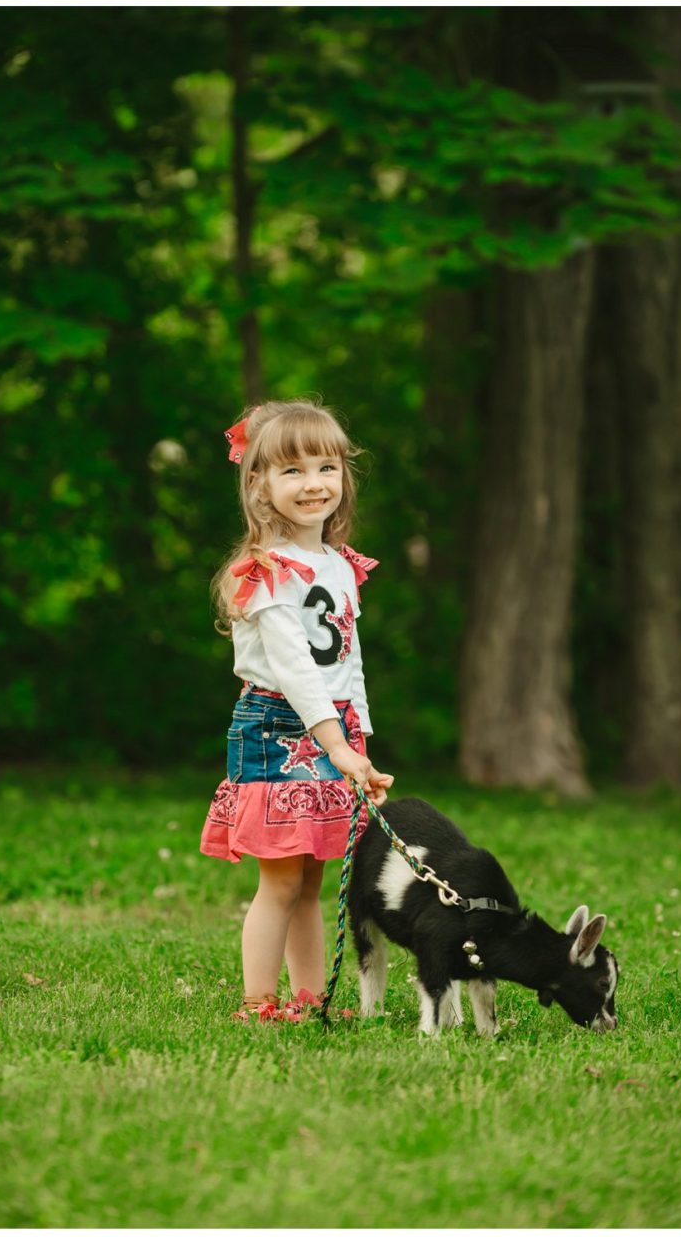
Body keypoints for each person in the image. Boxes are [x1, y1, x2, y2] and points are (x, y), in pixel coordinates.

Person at [199, 399, 394, 1021]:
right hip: (277, 728)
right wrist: (335, 742)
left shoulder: (337, 564)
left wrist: (357, 742)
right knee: (280, 881)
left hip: (333, 726)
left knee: (313, 883)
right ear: (258, 484)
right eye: (292, 471)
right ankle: (259, 1003)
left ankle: (312, 1002)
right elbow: (294, 669)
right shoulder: (264, 573)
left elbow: (347, 663)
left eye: (326, 467)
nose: (313, 484)